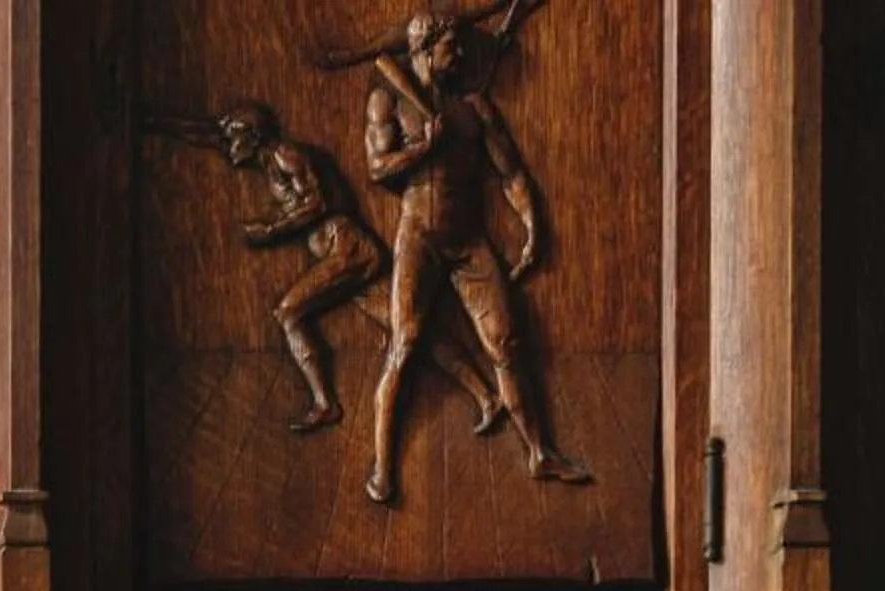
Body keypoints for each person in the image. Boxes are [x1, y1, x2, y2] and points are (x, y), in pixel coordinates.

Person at [155, 101, 500, 436]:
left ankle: (325, 404)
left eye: (233, 138)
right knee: (412, 332)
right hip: (346, 256)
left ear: (253, 136)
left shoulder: (284, 155)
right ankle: (486, 395)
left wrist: (272, 229)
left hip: (348, 250)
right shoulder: (263, 158)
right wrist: (157, 122)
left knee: (288, 312)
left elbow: (318, 202)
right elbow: (207, 134)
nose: (227, 146)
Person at [360, 8, 590, 507]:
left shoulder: (474, 108)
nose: (460, 54)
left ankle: (539, 452)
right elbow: (378, 169)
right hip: (417, 235)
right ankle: (382, 469)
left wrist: (531, 224)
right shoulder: (390, 100)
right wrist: (425, 148)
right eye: (451, 47)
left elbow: (510, 173)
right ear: (424, 49)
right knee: (405, 345)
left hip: (469, 240)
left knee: (505, 342)